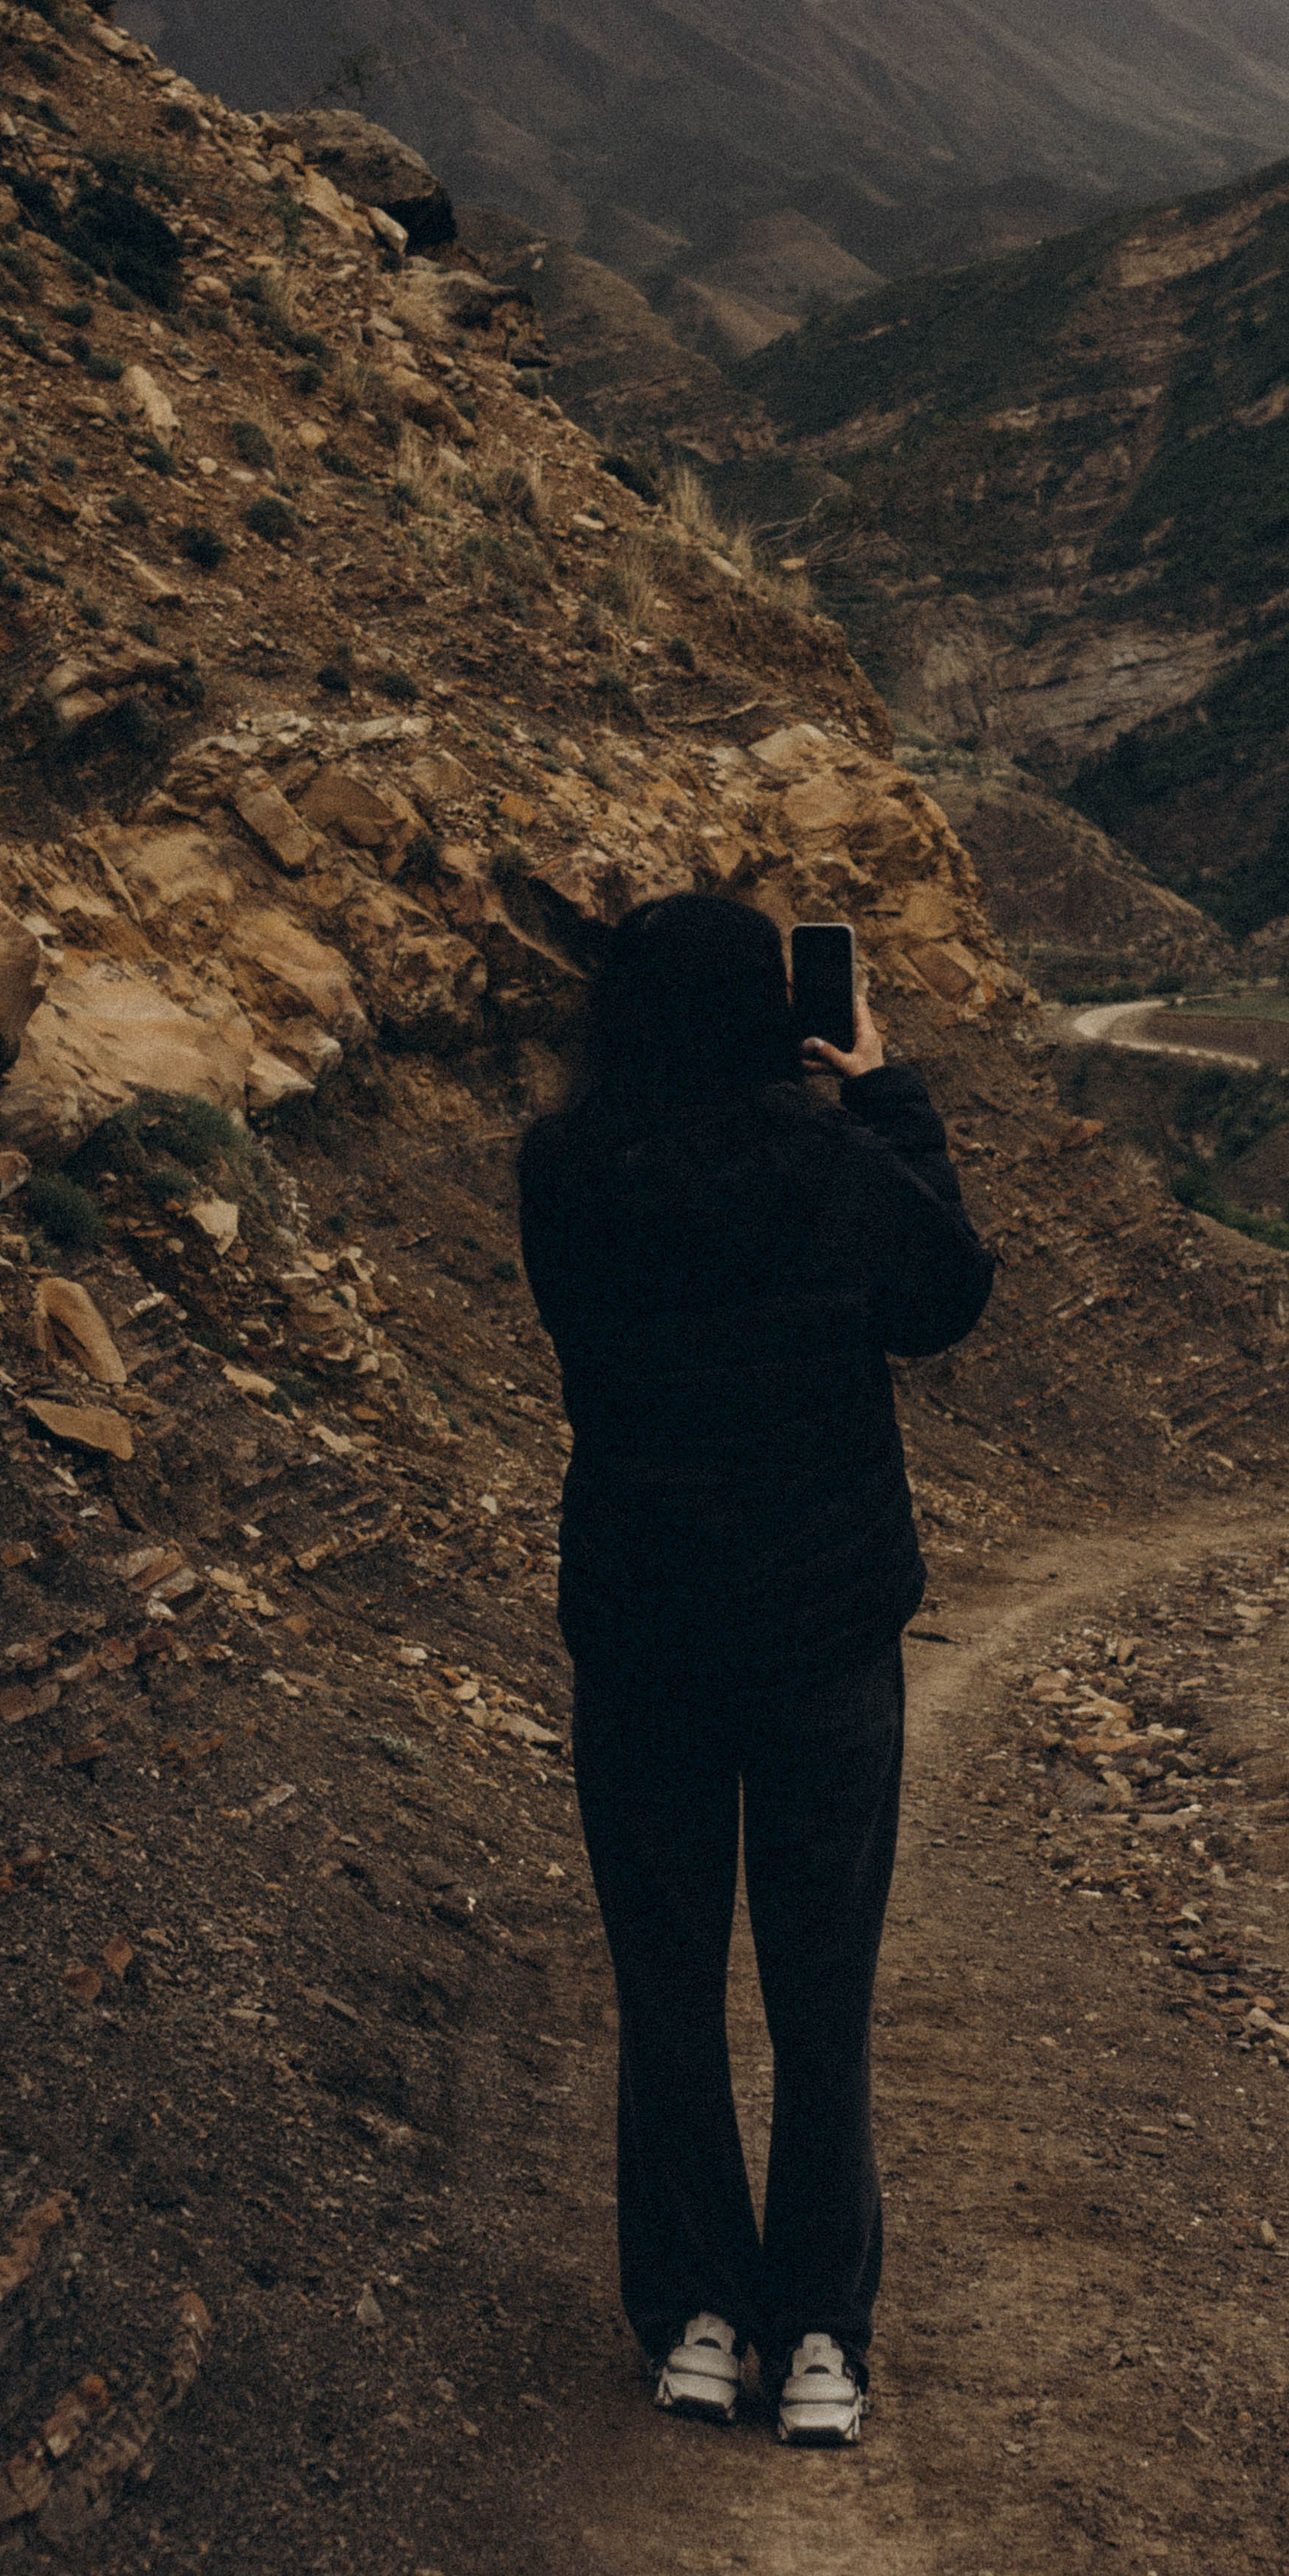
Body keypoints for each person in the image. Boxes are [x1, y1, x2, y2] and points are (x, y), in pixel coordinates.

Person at [516, 892, 993, 2446]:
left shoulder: (562, 1173)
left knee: (666, 1987)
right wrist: (884, 1093)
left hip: (642, 1632)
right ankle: (822, 2341)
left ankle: (698, 2322)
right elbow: (945, 1298)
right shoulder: (828, 1165)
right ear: (765, 1015)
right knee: (819, 1994)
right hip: (821, 1637)